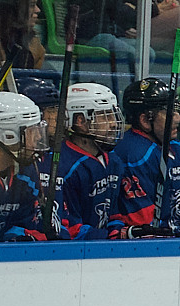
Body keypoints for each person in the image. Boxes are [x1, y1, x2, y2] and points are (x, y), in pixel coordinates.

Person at [113, 77, 180, 235]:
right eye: (169, 113)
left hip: (179, 242)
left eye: (176, 110)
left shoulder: (176, 147)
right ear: (145, 120)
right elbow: (143, 225)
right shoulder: (134, 156)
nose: (179, 119)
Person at [52, 82, 136, 240]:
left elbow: (114, 214)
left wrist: (119, 231)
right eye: (105, 116)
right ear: (80, 121)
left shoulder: (113, 161)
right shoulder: (63, 167)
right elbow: (69, 229)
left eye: (113, 114)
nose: (113, 124)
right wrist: (110, 236)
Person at [0, 89, 51, 242]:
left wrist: (15, 239)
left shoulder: (26, 170)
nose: (39, 137)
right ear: (7, 135)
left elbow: (25, 221)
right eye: (32, 132)